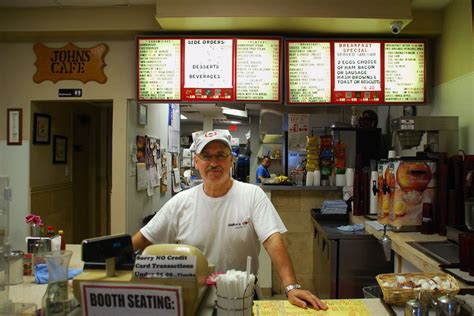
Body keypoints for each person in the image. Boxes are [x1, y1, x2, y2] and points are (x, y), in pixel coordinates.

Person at [132, 130, 327, 310]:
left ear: (231, 161)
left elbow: (272, 240)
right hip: (194, 299)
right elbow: (143, 238)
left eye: (220, 155)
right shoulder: (180, 203)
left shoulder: (252, 195)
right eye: (206, 156)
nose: (214, 162)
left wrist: (291, 286)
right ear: (196, 162)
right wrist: (108, 257)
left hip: (242, 296)